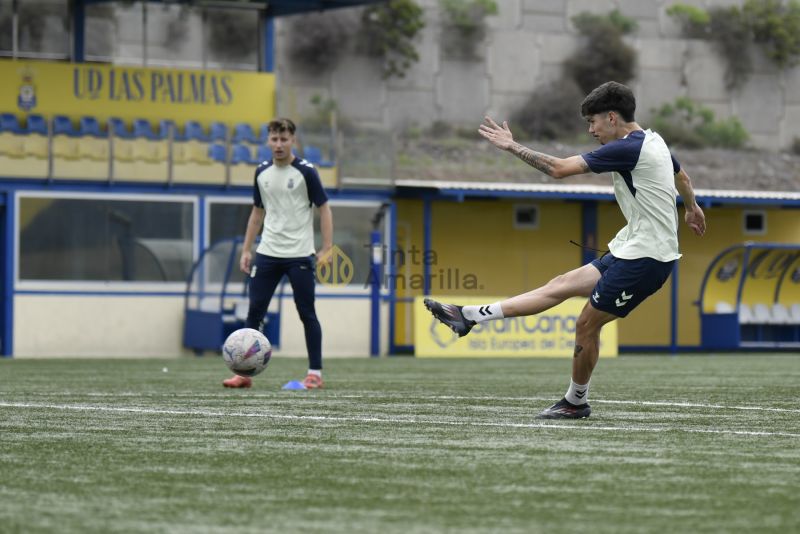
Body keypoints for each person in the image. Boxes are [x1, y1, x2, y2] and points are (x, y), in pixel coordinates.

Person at [424, 81, 706, 419]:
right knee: (560, 285)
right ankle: (468, 316)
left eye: (593, 122)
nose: (591, 130)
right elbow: (683, 178)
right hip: (631, 248)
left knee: (586, 324)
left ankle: (575, 402)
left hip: (647, 258)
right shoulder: (654, 141)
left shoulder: (628, 148)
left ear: (612, 118)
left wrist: (512, 146)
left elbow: (558, 169)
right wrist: (691, 207)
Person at [223, 118, 333, 389]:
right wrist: (246, 249)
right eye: (274, 139)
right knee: (254, 312)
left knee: (306, 312)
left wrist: (327, 248)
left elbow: (324, 209)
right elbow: (256, 213)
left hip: (300, 254)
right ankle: (244, 374)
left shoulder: (306, 172)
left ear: (293, 140)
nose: (279, 144)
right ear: (268, 141)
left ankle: (315, 374)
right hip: (268, 252)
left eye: (284, 139)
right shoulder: (261, 172)